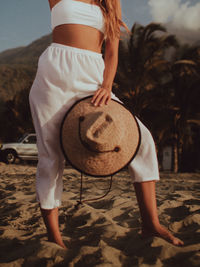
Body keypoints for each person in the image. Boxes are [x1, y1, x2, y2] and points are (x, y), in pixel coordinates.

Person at [29, 0, 184, 249]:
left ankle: (150, 223)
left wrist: (107, 85)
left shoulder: (111, 2)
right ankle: (53, 236)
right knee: (50, 156)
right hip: (53, 75)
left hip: (93, 76)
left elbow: (112, 49)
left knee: (141, 140)